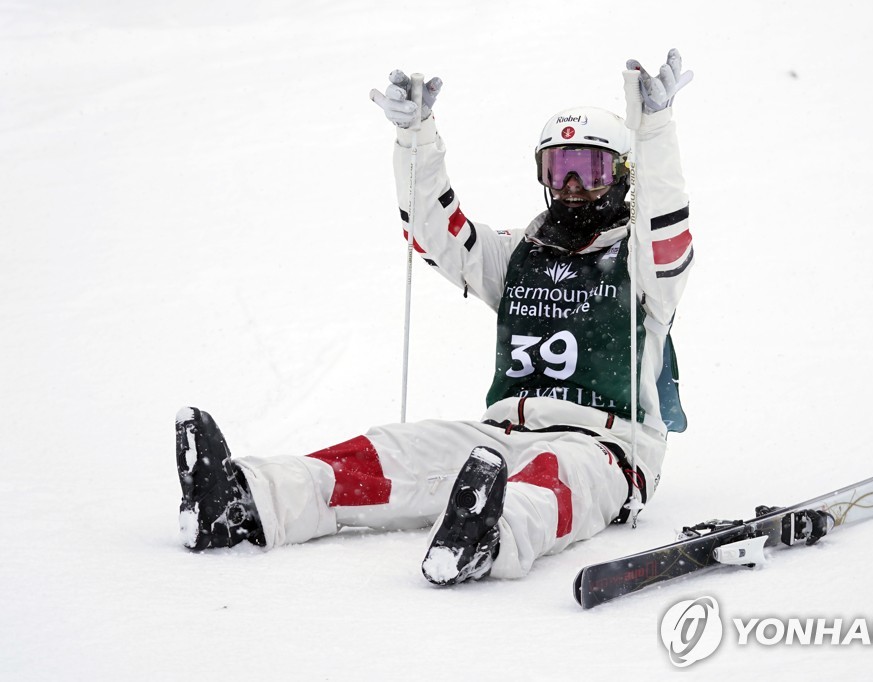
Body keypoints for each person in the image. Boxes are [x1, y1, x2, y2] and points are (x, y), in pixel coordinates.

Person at [175, 49, 695, 586]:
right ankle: (241, 500)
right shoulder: (520, 254)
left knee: (555, 478)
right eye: (558, 168)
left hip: (606, 445)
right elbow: (435, 234)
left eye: (590, 169)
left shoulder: (643, 266)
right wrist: (415, 138)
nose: (571, 187)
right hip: (500, 436)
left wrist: (653, 130)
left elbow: (664, 229)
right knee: (396, 451)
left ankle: (486, 536)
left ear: (624, 176)